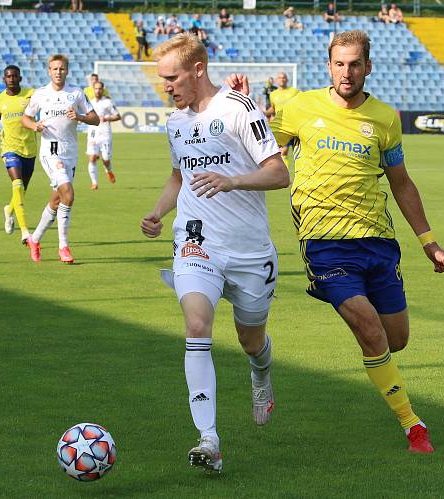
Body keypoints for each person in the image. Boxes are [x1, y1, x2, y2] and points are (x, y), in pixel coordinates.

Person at [225, 30, 444, 454]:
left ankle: (376, 356)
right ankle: (412, 425)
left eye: (354, 64)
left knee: (394, 339)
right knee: (370, 330)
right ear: (328, 66)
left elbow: (401, 183)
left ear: (368, 66)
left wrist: (429, 242)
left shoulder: (385, 119)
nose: (346, 72)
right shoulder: (300, 108)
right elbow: (259, 149)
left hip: (378, 239)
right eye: (338, 64)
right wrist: (243, 106)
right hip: (324, 242)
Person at [140, 33, 290, 474]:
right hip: (195, 239)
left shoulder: (238, 109)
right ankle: (209, 439)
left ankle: (261, 371)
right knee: (196, 322)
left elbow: (279, 173)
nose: (166, 86)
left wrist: (232, 180)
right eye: (163, 79)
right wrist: (157, 211)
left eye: (172, 77)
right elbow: (178, 177)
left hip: (248, 249)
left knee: (251, 340)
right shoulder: (175, 122)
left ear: (198, 69)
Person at [22, 54, 99, 264]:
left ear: (67, 70)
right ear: (49, 71)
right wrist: (34, 126)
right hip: (50, 152)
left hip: (70, 152)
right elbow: (25, 118)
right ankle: (63, 246)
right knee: (69, 193)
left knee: (58, 199)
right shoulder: (40, 94)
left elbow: (96, 119)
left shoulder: (76, 93)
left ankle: (34, 239)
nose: (58, 72)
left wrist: (80, 117)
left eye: (62, 69)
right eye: (54, 69)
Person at [0, 65, 37, 246]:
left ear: (20, 78)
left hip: (29, 148)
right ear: (4, 79)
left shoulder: (31, 94)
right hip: (9, 147)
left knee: (21, 191)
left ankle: (9, 210)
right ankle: (25, 232)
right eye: (8, 76)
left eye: (14, 76)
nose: (11, 79)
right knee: (17, 184)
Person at [85, 80, 121, 190]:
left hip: (105, 134)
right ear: (93, 90)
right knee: (92, 158)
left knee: (105, 159)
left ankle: (108, 170)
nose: (98, 90)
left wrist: (106, 118)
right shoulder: (89, 102)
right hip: (93, 134)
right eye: (96, 88)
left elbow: (118, 116)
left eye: (100, 88)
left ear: (103, 89)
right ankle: (94, 183)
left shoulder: (108, 102)